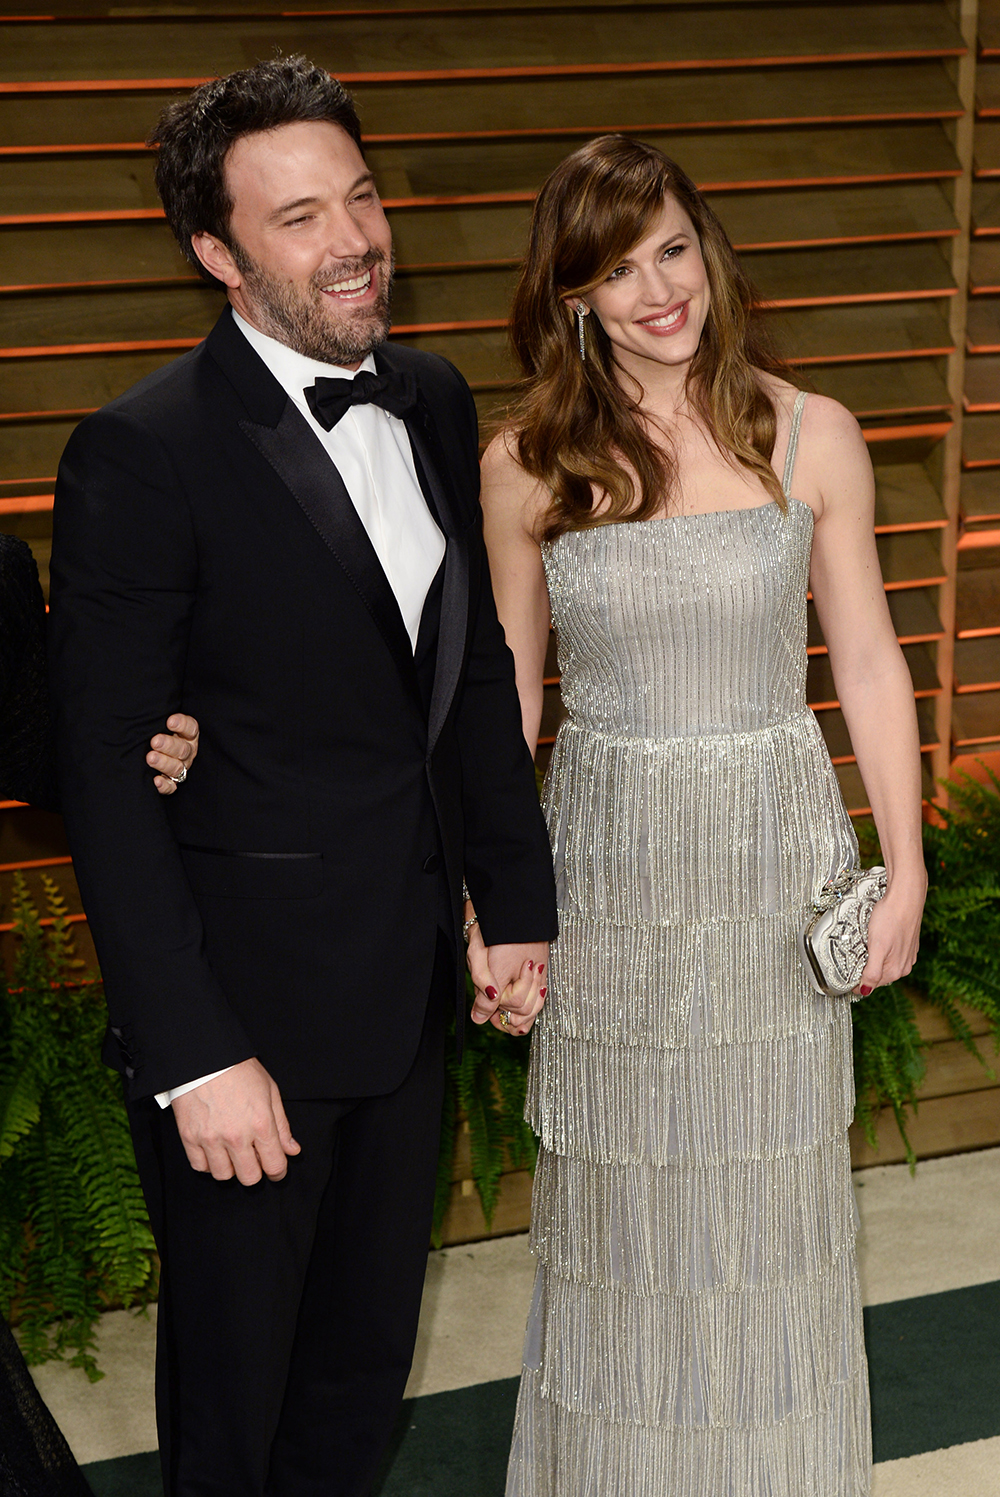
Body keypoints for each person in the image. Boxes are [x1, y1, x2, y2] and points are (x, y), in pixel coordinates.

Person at [47, 56, 556, 1497]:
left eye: (363, 197)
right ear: (216, 253)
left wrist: (511, 900)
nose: (353, 241)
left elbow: (458, 682)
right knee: (237, 1411)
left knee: (353, 1387)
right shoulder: (142, 454)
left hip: (401, 1003)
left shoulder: (437, 398)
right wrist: (195, 1052)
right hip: (243, 1020)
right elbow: (102, 777)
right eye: (298, 218)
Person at [465, 135, 927, 1495]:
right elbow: (506, 701)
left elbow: (870, 655)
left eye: (671, 248)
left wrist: (903, 869)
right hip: (605, 872)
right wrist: (494, 904)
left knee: (770, 1211)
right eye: (616, 268)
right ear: (571, 295)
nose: (658, 288)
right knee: (624, 1216)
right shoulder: (527, 465)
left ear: (706, 248)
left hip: (773, 869)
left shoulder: (810, 431)